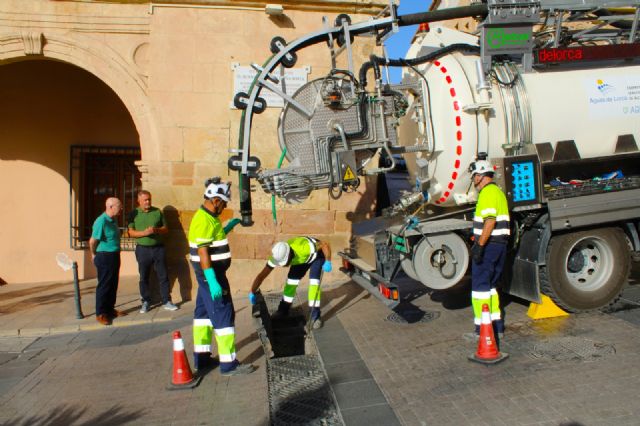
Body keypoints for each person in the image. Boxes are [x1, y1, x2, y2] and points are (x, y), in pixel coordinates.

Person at [188, 177, 255, 376]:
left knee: (203, 315)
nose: (224, 207)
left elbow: (213, 238)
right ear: (215, 200)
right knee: (224, 313)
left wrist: (228, 227)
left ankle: (202, 358)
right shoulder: (203, 219)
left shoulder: (210, 217)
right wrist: (213, 281)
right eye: (224, 203)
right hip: (212, 276)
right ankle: (228, 364)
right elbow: (202, 252)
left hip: (208, 277)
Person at [467, 159, 510, 340]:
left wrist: (479, 246)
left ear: (480, 176)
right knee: (491, 287)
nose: (473, 181)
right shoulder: (497, 192)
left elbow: (490, 221)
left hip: (490, 246)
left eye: (474, 176)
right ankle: (496, 325)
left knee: (480, 288)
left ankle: (482, 329)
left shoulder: (488, 193)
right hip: (498, 246)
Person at [249, 237, 332, 329]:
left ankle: (315, 316)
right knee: (291, 282)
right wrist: (252, 291)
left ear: (289, 255)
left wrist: (328, 261)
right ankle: (283, 310)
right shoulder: (277, 256)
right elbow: (262, 276)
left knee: (314, 283)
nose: (284, 265)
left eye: (285, 262)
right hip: (300, 260)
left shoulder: (304, 248)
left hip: (317, 256)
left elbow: (325, 244)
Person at [127, 190, 178, 313]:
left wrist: (156, 230)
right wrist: (145, 233)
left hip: (158, 248)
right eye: (145, 200)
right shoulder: (134, 213)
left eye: (149, 199)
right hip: (142, 249)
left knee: (163, 275)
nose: (148, 202)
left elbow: (166, 229)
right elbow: (130, 232)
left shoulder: (157, 212)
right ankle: (145, 301)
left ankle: (167, 301)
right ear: (139, 201)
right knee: (144, 276)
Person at [89, 197, 124, 326]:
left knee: (113, 283)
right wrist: (93, 255)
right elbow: (92, 241)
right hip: (104, 256)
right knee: (104, 285)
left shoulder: (113, 219)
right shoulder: (101, 221)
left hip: (114, 255)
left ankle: (110, 309)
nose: (121, 209)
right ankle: (101, 313)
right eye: (119, 206)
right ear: (110, 207)